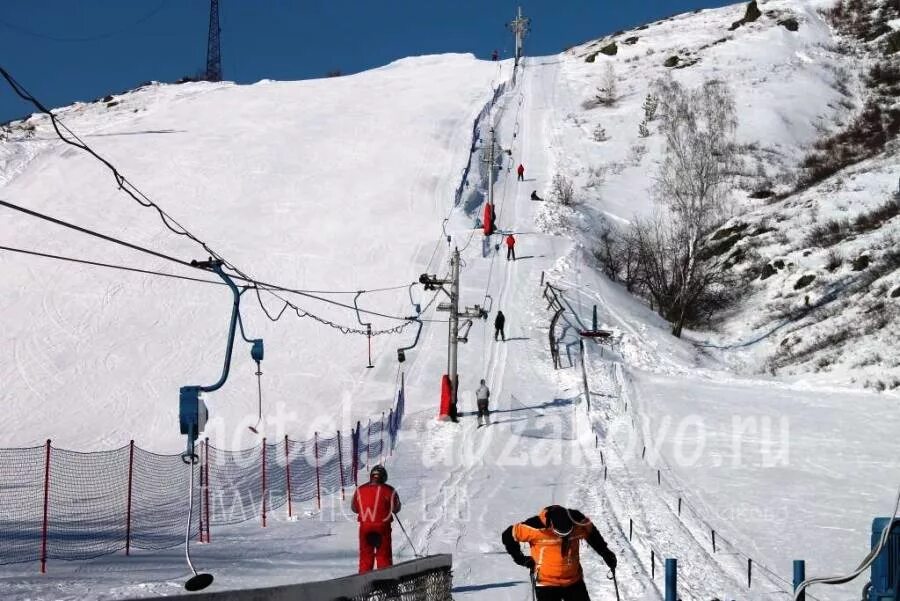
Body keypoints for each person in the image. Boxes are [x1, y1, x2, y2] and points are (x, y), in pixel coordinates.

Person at [502, 505, 617, 601]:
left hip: (573, 580)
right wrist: (520, 559)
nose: (565, 536)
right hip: (546, 582)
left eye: (568, 533)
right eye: (561, 534)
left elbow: (592, 534)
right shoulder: (535, 527)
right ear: (551, 525)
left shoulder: (578, 521)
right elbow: (508, 535)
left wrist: (605, 552)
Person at [351, 465, 401, 574]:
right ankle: (386, 585)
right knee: (384, 558)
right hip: (383, 528)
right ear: (383, 477)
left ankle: (363, 585)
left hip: (365, 528)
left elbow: (354, 508)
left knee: (365, 558)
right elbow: (396, 508)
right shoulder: (389, 490)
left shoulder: (360, 490)